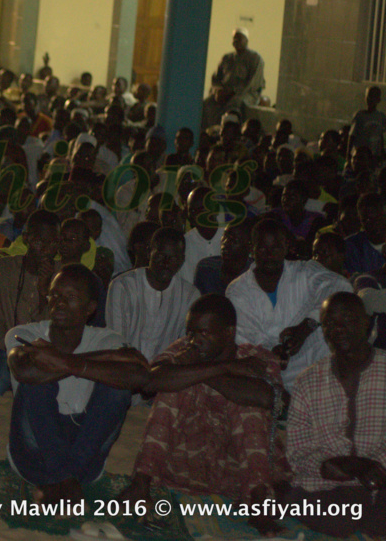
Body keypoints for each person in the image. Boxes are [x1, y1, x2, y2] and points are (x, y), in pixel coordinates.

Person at [118, 295, 286, 535]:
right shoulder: (184, 350)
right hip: (185, 467)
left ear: (229, 332)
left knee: (247, 405)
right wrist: (223, 367)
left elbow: (265, 397)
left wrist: (194, 370)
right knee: (172, 390)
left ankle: (259, 503)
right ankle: (141, 483)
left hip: (239, 473)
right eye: (191, 332)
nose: (194, 340)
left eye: (204, 333)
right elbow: (150, 381)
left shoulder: (256, 358)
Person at [6, 264, 146, 505]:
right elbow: (25, 372)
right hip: (33, 455)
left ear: (90, 308)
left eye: (70, 297)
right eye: (54, 295)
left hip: (85, 453)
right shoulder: (24, 334)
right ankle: (68, 481)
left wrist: (60, 361)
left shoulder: (107, 339)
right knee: (35, 382)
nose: (59, 303)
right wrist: (104, 359)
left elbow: (141, 376)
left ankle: (63, 480)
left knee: (118, 387)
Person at [279, 292, 386, 537]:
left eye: (347, 319)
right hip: (329, 482)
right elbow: (298, 451)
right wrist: (327, 466)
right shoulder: (308, 381)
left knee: (376, 521)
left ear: (366, 322)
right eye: (329, 322)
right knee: (339, 520)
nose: (338, 328)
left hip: (381, 476)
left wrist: (372, 465)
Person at [227, 217, 350, 389]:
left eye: (276, 247)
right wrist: (275, 352)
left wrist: (306, 326)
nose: (269, 255)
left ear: (286, 247)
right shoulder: (237, 290)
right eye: (262, 248)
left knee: (331, 323)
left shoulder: (305, 271)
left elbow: (341, 286)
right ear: (251, 249)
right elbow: (246, 340)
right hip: (268, 372)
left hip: (314, 363)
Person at [0, 211, 59, 403]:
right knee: (5, 365)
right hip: (3, 352)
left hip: (44, 357)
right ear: (26, 238)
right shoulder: (0, 269)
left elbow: (56, 334)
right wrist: (17, 353)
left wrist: (44, 293)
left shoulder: (61, 276)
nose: (46, 249)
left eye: (53, 243)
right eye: (39, 242)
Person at [106, 227, 200, 361]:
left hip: (166, 368)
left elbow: (184, 344)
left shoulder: (190, 295)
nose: (166, 264)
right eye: (160, 256)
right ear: (149, 252)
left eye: (173, 258)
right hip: (125, 365)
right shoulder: (123, 286)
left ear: (182, 260)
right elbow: (116, 342)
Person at [202, 28, 265, 129]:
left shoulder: (255, 58)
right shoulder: (227, 58)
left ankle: (227, 131)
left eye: (239, 38)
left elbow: (252, 83)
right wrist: (218, 90)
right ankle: (209, 131)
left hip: (246, 93)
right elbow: (216, 78)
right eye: (234, 38)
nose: (236, 41)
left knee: (234, 103)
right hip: (224, 93)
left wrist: (232, 91)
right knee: (207, 103)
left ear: (246, 40)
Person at [348, 85, 386, 160]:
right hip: (360, 155)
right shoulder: (359, 116)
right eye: (369, 96)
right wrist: (348, 156)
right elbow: (352, 136)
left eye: (374, 96)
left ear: (378, 99)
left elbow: (380, 136)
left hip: (375, 156)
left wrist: (381, 153)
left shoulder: (381, 117)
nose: (370, 99)